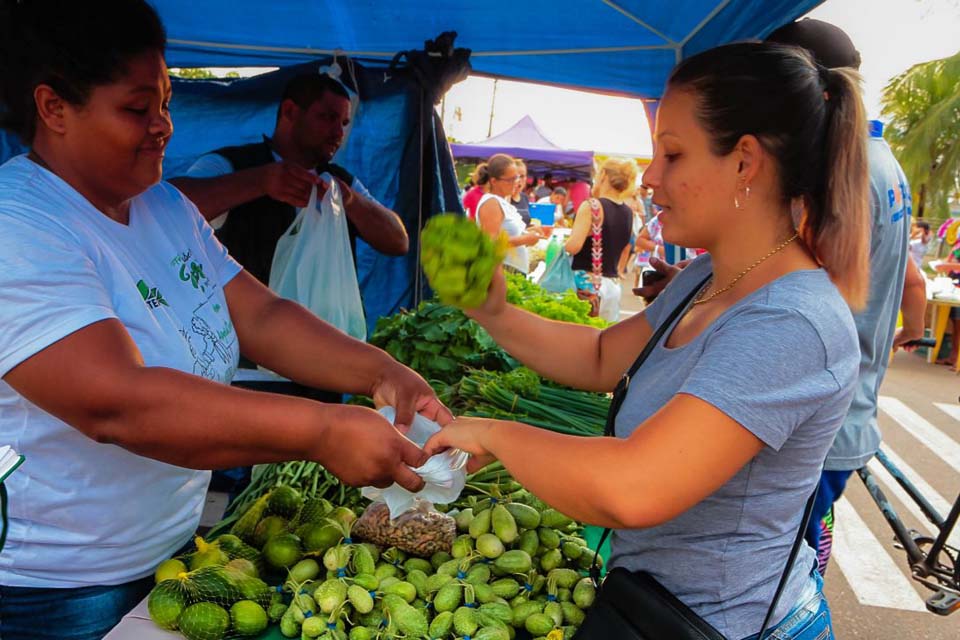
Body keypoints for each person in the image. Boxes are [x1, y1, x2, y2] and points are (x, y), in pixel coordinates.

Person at [0, 2, 449, 638]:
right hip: (60, 589)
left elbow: (260, 315)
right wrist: (321, 431)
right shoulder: (19, 226)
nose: (162, 127)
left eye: (166, 103)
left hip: (172, 554)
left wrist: (381, 370)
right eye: (137, 109)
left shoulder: (160, 206)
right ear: (53, 109)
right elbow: (116, 402)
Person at [427, 41, 872, 640]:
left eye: (673, 154)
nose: (652, 177)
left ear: (745, 162)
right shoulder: (704, 278)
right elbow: (602, 355)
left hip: (724, 628)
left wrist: (495, 433)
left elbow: (635, 486)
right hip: (655, 604)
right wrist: (494, 311)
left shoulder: (793, 322)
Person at [766, 18, 928, 574]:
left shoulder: (839, 173)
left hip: (814, 419)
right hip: (849, 406)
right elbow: (911, 281)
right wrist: (900, 332)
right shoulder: (884, 164)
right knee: (806, 552)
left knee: (785, 578)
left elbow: (799, 300)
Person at [169, 73, 408, 289]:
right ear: (290, 111)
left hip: (328, 330)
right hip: (247, 332)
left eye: (344, 123)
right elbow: (170, 206)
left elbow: (399, 241)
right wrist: (261, 181)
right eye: (328, 117)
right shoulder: (232, 163)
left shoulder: (339, 181)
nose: (339, 133)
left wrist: (351, 201)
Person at [564, 158, 637, 322]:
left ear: (603, 175)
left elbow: (572, 247)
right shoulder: (628, 212)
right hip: (612, 285)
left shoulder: (592, 206)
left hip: (588, 286)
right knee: (602, 338)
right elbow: (625, 246)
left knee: (578, 339)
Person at [475, 154, 541, 274]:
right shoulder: (491, 203)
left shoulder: (502, 201)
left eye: (517, 177)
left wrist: (528, 234)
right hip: (501, 271)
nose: (516, 182)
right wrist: (524, 239)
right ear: (494, 181)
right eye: (510, 180)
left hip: (510, 271)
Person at [510, 158, 532, 226]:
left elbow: (526, 225)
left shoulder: (525, 197)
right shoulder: (504, 198)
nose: (519, 180)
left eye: (522, 176)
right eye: (516, 176)